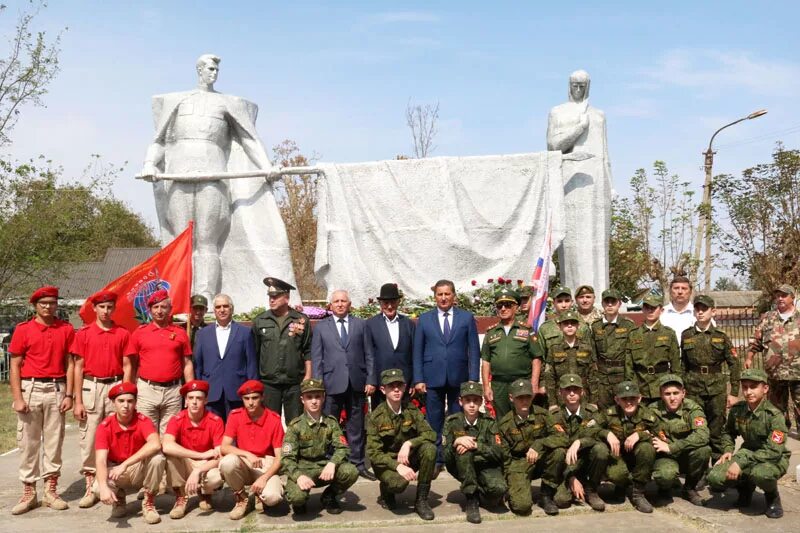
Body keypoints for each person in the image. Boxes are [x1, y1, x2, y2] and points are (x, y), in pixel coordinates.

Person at [141, 54, 278, 301]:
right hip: (179, 176)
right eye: (210, 69)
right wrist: (150, 163)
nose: (214, 73)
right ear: (199, 70)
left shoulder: (226, 103)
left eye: (216, 69)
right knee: (181, 243)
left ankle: (203, 299)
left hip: (212, 176)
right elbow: (159, 141)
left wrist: (266, 166)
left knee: (206, 241)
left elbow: (248, 139)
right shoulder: (177, 101)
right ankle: (177, 298)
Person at [8, 286, 75, 515]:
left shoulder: (66, 329)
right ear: (35, 305)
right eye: (44, 303)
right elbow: (15, 365)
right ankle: (29, 491)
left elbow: (70, 363)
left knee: (54, 442)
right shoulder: (23, 330)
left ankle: (50, 490)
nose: (48, 307)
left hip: (57, 387)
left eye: (52, 303)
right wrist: (18, 397)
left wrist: (69, 395)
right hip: (32, 387)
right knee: (29, 442)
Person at [546, 70, 613, 294]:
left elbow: (605, 153)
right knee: (575, 245)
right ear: (569, 85)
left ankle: (600, 296)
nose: (578, 89)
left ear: (589, 86)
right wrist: (578, 128)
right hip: (572, 179)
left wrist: (610, 184)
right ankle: (574, 294)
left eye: (582, 85)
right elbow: (553, 146)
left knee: (598, 244)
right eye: (575, 84)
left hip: (596, 182)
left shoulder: (599, 115)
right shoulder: (558, 112)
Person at [413, 279, 480, 473]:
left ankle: (457, 457)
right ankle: (436, 460)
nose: (443, 298)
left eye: (447, 294)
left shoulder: (466, 318)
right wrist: (418, 378)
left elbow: (474, 350)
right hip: (432, 377)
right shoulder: (425, 319)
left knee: (457, 418)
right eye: (439, 294)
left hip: (459, 378)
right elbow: (418, 351)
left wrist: (473, 379)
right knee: (434, 420)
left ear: (454, 296)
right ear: (435, 297)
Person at [71, 290, 130, 508]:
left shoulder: (122, 333)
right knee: (90, 436)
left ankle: (115, 482)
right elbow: (77, 367)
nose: (106, 311)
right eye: (102, 307)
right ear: (94, 309)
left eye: (109, 307)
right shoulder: (84, 333)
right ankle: (90, 484)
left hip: (115, 386)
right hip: (91, 386)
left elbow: (127, 365)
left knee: (117, 434)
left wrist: (125, 392)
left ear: (114, 309)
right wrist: (77, 400)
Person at [707, 369, 789, 519]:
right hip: (748, 452)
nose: (748, 391)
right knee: (715, 477)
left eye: (753, 387)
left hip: (773, 457)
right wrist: (728, 450)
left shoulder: (774, 415)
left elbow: (773, 450)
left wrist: (740, 462)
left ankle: (772, 497)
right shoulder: (738, 410)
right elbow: (728, 432)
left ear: (765, 389)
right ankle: (745, 489)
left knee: (761, 474)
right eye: (745, 387)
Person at [312, 289, 376, 480]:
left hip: (356, 383)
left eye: (343, 301)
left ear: (349, 304)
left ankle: (358, 463)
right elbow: (317, 358)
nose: (340, 304)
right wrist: (318, 385)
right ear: (330, 306)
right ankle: (332, 462)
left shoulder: (360, 325)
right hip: (331, 384)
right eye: (336, 301)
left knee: (356, 425)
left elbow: (369, 354)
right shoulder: (322, 327)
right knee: (330, 425)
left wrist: (371, 379)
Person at [366, 369, 437, 520]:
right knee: (398, 485)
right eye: (391, 386)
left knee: (429, 449)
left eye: (399, 385)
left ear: (405, 388)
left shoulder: (411, 409)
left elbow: (431, 434)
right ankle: (386, 490)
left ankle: (421, 501)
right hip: (387, 464)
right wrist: (397, 466)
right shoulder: (376, 417)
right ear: (383, 390)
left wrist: (409, 443)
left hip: (407, 458)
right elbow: (373, 453)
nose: (396, 389)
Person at [281, 378, 359, 515]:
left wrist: (332, 463)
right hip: (303, 470)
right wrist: (298, 476)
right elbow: (287, 458)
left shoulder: (331, 423)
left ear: (323, 398)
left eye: (317, 396)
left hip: (324, 469)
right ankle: (301, 500)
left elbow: (343, 447)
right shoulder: (295, 426)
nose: (314, 401)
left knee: (351, 471)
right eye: (309, 397)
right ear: (302, 400)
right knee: (296, 498)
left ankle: (329, 495)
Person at [94, 382, 165, 524]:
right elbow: (100, 460)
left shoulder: (142, 420)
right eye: (121, 401)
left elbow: (155, 443)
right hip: (116, 470)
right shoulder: (105, 426)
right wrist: (103, 487)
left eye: (130, 401)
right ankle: (119, 499)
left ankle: (149, 502)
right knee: (96, 487)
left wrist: (125, 464)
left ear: (135, 403)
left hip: (138, 468)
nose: (125, 405)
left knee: (157, 458)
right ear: (114, 403)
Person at [125, 289, 194, 433]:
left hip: (173, 392)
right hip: (147, 390)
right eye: (155, 307)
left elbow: (187, 364)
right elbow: (130, 365)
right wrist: (128, 390)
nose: (159, 311)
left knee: (170, 435)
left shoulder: (180, 333)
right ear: (150, 310)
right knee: (146, 433)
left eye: (163, 307)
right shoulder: (139, 333)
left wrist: (190, 391)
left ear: (170, 309)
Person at [681, 294, 739, 462]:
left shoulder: (721, 336)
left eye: (704, 309)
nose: (700, 312)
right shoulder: (686, 335)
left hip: (716, 388)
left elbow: (734, 364)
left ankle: (718, 466)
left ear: (713, 311)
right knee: (695, 427)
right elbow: (683, 364)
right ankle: (697, 469)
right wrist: (682, 388)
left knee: (717, 428)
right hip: (693, 388)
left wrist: (734, 392)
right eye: (697, 309)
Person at [498, 378, 567, 516]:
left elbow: (562, 437)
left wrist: (539, 444)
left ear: (532, 396)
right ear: (512, 398)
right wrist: (508, 483)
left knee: (559, 453)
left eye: (527, 397)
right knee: (522, 507)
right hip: (519, 464)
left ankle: (546, 494)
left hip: (541, 459)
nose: (524, 401)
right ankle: (521, 488)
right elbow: (505, 458)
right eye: (520, 397)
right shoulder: (505, 424)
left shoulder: (543, 414)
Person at [442, 381, 507, 524]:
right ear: (460, 401)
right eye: (467, 400)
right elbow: (446, 457)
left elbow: (498, 452)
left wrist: (476, 446)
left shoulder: (489, 421)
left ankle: (481, 491)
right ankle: (471, 499)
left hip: (485, 466)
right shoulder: (452, 422)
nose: (472, 405)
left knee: (499, 490)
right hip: (461, 465)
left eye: (476, 400)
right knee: (463, 450)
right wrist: (456, 442)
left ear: (481, 402)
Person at [219, 380, 285, 520]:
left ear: (262, 397)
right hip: (245, 462)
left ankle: (259, 494)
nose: (250, 402)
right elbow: (224, 447)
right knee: (227, 462)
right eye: (246, 398)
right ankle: (241, 498)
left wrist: (264, 478)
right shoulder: (235, 416)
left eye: (254, 398)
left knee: (273, 498)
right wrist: (247, 454)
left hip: (266, 465)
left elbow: (280, 456)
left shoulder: (273, 419)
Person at [251, 276, 312, 424]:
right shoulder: (260, 321)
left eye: (276, 296)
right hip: (269, 384)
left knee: (296, 424)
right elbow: (255, 352)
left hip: (294, 383)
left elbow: (308, 351)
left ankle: (293, 448)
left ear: (286, 297)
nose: (272, 300)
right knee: (269, 424)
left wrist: (308, 376)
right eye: (270, 296)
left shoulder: (301, 320)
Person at [161, 380, 225, 519]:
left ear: (206, 400)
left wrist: (198, 470)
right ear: (185, 401)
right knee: (171, 456)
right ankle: (181, 497)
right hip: (188, 462)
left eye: (199, 398)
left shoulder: (216, 420)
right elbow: (167, 446)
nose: (194, 402)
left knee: (217, 476)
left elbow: (220, 455)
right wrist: (200, 455)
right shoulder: (177, 419)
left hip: (205, 466)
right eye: (191, 398)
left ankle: (205, 494)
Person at [745, 284, 800, 431]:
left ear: (792, 298)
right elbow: (756, 341)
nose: (780, 298)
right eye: (778, 295)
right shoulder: (768, 318)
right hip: (775, 372)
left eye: (784, 295)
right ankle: (780, 433)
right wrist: (749, 357)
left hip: (798, 372)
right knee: (776, 407)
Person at [194, 293, 258, 420]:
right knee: (213, 434)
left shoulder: (245, 333)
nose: (222, 310)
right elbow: (198, 366)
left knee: (235, 434)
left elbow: (251, 364)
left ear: (231, 309)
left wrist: (252, 391)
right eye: (218, 307)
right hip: (211, 392)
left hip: (237, 392)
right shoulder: (202, 334)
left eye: (225, 306)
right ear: (214, 311)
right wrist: (200, 390)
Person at [649, 374, 710, 507]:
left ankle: (689, 488)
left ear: (683, 393)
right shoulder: (653, 410)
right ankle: (664, 490)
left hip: (685, 455)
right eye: (667, 394)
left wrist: (672, 447)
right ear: (661, 394)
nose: (672, 398)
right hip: (665, 457)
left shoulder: (692, 409)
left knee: (704, 450)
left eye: (676, 393)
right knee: (666, 475)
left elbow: (703, 435)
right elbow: (643, 430)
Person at [480, 287, 540, 420]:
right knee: (502, 420)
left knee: (524, 417)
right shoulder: (491, 332)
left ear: (516, 307)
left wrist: (534, 384)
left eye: (507, 305)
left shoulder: (526, 330)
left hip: (521, 382)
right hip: (499, 384)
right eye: (499, 305)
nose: (503, 309)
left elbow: (536, 358)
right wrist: (486, 387)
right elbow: (485, 361)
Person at [551, 374, 608, 512]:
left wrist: (579, 442)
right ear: (560, 393)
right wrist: (571, 478)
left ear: (582, 392)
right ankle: (573, 482)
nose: (572, 393)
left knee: (601, 449)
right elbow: (556, 450)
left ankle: (592, 489)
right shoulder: (554, 417)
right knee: (562, 501)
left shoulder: (591, 412)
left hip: (587, 460)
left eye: (575, 390)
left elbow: (596, 434)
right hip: (566, 464)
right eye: (567, 390)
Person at [598, 381, 658, 513]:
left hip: (638, 458)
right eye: (624, 399)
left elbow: (661, 434)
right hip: (617, 456)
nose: (629, 402)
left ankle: (638, 494)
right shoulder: (608, 414)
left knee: (647, 449)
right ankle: (622, 485)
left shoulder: (648, 415)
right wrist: (606, 433)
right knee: (617, 474)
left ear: (640, 398)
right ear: (617, 400)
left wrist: (641, 434)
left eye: (633, 398)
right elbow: (590, 429)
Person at [365, 283, 416, 408]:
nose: (389, 306)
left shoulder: (408, 324)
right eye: (385, 303)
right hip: (381, 383)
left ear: (398, 302)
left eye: (393, 302)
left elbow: (414, 354)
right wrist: (371, 380)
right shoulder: (371, 324)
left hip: (404, 382)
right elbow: (369, 354)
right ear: (380, 304)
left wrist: (414, 381)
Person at [625, 293, 681, 404]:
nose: (650, 311)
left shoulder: (669, 333)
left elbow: (675, 364)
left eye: (654, 308)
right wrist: (631, 388)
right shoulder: (633, 334)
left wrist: (675, 387)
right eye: (647, 307)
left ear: (661, 310)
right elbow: (628, 365)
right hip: (640, 385)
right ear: (643, 309)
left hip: (663, 385)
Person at [542, 309, 598, 407]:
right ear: (560, 327)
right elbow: (549, 377)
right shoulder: (554, 348)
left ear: (578, 326)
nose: (569, 326)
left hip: (582, 396)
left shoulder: (586, 348)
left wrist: (593, 402)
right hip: (561, 397)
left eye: (573, 323)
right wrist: (552, 403)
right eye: (566, 323)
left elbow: (593, 376)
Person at [590, 288, 635, 409]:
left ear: (619, 303)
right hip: (602, 377)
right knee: (603, 411)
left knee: (623, 408)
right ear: (603, 303)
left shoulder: (628, 325)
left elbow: (632, 354)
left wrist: (630, 378)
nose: (610, 304)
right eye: (607, 301)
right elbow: (593, 354)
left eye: (613, 301)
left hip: (622, 374)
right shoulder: (596, 326)